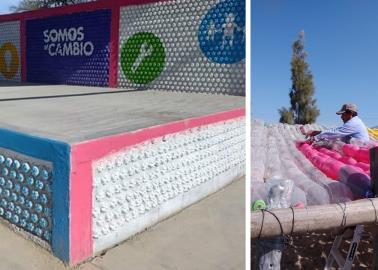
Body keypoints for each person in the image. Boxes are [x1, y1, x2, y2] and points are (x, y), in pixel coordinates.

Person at [304, 103, 369, 144]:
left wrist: (315, 138)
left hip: (361, 152)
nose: (341, 117)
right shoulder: (353, 122)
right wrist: (316, 132)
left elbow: (335, 133)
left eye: (343, 114)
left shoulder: (353, 124)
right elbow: (334, 131)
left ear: (350, 113)